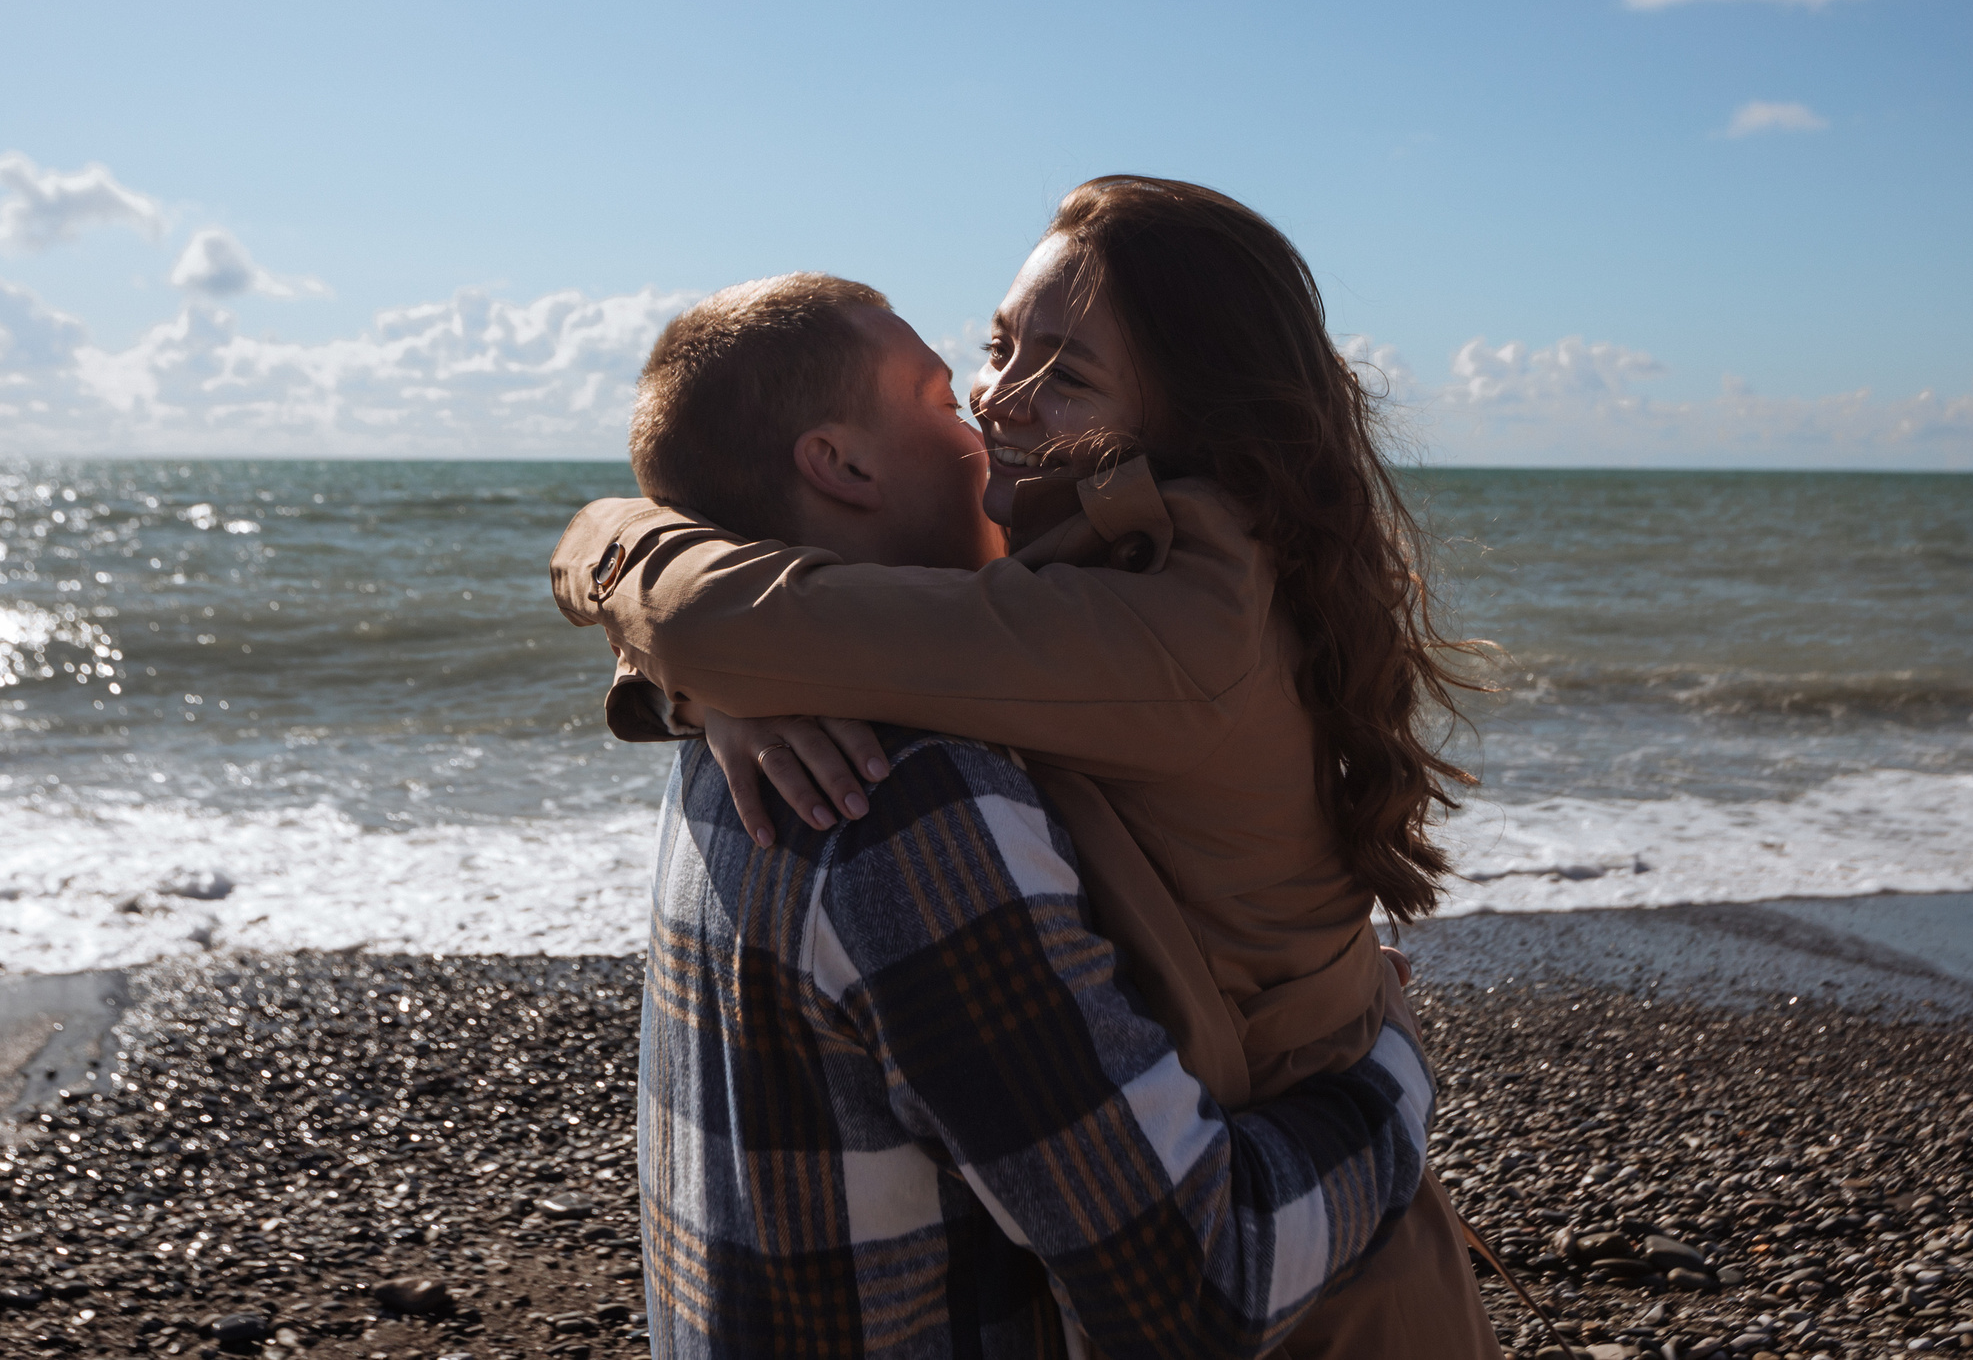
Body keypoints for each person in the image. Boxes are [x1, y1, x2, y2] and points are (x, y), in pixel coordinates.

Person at [557, 179, 1502, 1356]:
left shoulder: (1159, 622)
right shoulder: (1089, 565)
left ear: (1187, 414)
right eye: (998, 350)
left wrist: (1394, 1081)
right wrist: (707, 694)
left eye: (1065, 373)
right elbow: (754, 599)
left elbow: (715, 613)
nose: (999, 401)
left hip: (1329, 1293)